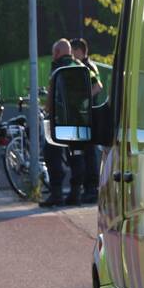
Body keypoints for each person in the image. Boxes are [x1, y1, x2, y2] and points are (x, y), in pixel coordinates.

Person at [40, 39, 85, 208]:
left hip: (59, 120)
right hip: (78, 119)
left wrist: (48, 112)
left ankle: (56, 193)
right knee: (76, 155)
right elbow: (96, 86)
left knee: (52, 154)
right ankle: (75, 193)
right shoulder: (80, 66)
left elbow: (51, 93)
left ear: (58, 52)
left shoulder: (57, 67)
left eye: (53, 53)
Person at [70, 38, 102, 204]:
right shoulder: (89, 65)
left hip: (87, 115)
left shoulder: (86, 67)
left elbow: (98, 86)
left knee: (89, 154)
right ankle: (89, 188)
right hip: (88, 115)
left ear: (79, 51)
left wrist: (83, 100)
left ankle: (91, 189)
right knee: (88, 153)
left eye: (72, 51)